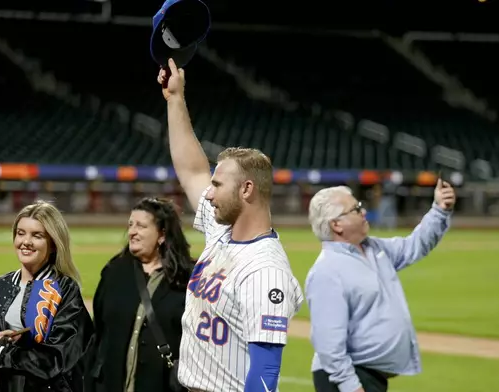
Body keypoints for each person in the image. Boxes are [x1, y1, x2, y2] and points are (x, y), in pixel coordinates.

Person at [156, 58, 304, 392]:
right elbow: (192, 171)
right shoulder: (222, 233)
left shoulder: (265, 270)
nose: (208, 194)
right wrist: (175, 100)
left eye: (218, 185)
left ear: (247, 190)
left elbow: (265, 371)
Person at [305, 179, 456, 392]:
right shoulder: (327, 271)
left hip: (369, 375)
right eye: (355, 209)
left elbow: (415, 246)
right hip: (347, 379)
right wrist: (351, 386)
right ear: (336, 224)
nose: (364, 211)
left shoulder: (373, 249)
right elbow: (329, 342)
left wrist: (440, 210)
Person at [0, 200, 94, 392]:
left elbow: (60, 357)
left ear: (53, 244)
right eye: (20, 233)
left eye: (37, 235)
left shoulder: (64, 289)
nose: (26, 242)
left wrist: (0, 354)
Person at [85, 197, 195, 392]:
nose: (132, 232)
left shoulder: (186, 280)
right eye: (130, 225)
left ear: (162, 235)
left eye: (141, 226)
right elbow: (97, 336)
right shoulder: (114, 272)